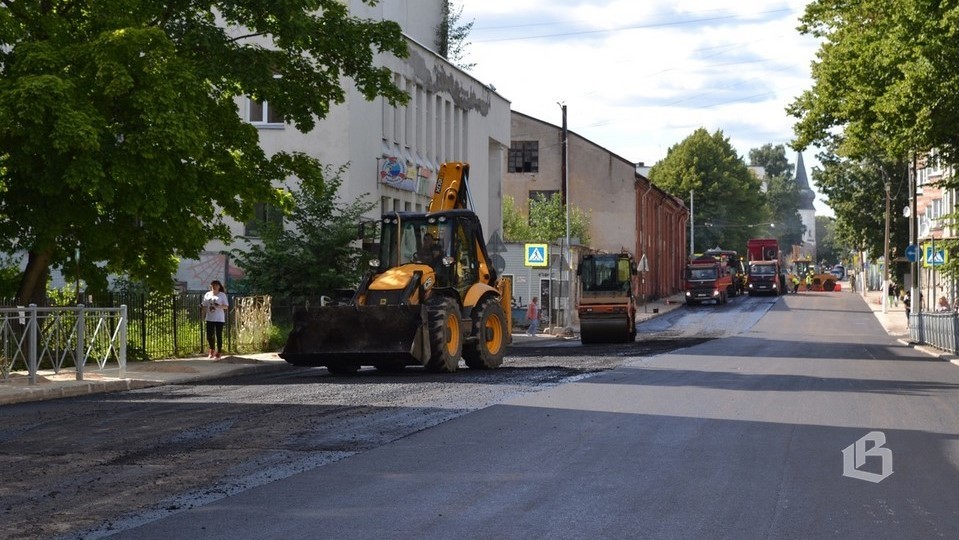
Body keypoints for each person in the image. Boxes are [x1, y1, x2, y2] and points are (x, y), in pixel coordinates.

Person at [202, 280, 229, 358]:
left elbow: (226, 306)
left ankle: (219, 352)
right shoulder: (207, 294)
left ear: (219, 286)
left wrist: (219, 305)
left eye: (216, 285)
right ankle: (212, 349)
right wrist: (202, 309)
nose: (214, 287)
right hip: (209, 317)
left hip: (219, 318)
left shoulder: (222, 295)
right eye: (213, 285)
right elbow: (204, 305)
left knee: (218, 335)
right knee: (209, 335)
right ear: (211, 286)